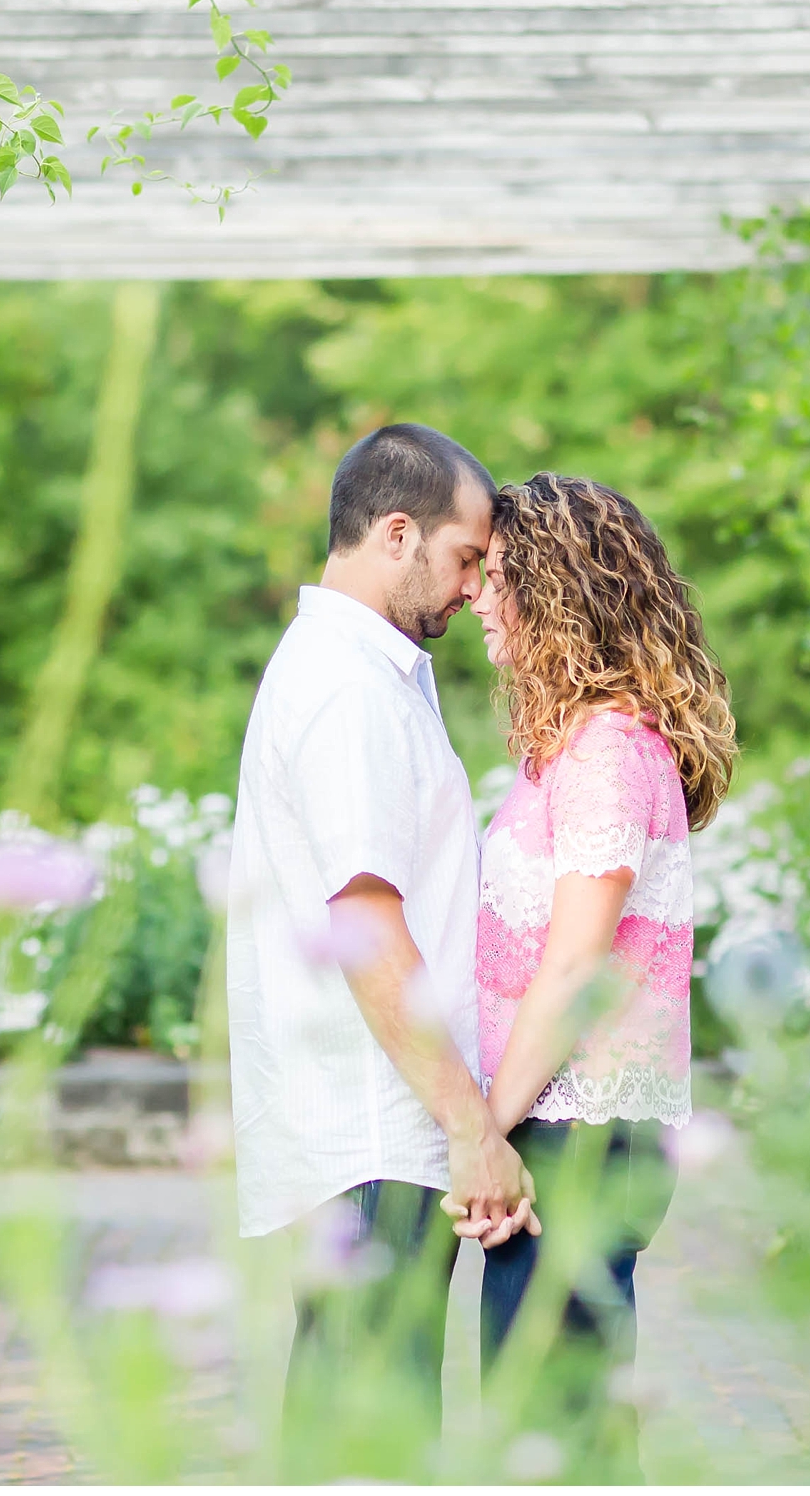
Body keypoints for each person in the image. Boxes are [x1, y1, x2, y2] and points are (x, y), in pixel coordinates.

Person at [221, 421, 537, 1482]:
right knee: (370, 1433)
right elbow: (367, 927)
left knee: (361, 1420)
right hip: (377, 1121)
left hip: (381, 1114)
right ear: (397, 535)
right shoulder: (347, 690)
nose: (475, 588)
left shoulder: (377, 672)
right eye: (464, 560)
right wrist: (469, 1127)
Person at [457, 471, 738, 1480]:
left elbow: (575, 965)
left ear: (559, 587)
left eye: (497, 577)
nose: (479, 598)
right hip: (562, 1123)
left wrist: (481, 1130)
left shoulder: (611, 752)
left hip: (582, 1132)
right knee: (548, 1430)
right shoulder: (569, 748)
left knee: (557, 1439)